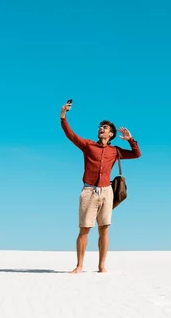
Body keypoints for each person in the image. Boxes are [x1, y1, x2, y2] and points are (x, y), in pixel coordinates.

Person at [60, 100, 141, 273]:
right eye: (100, 127)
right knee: (84, 229)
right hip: (89, 191)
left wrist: (130, 140)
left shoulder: (115, 151)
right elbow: (71, 135)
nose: (101, 129)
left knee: (104, 229)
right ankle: (79, 266)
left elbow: (136, 154)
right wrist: (63, 116)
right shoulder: (89, 145)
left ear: (111, 134)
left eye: (105, 128)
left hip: (107, 191)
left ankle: (101, 266)